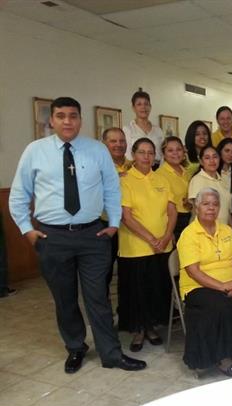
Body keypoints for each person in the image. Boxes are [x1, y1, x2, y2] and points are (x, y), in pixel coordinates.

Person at [9, 97, 146, 373]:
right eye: (61, 116)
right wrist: (27, 230)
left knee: (99, 297)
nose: (67, 121)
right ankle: (75, 347)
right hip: (51, 238)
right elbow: (18, 195)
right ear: (52, 120)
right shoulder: (35, 151)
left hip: (93, 236)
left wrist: (114, 224)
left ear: (80, 120)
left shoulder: (96, 150)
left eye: (73, 116)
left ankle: (111, 353)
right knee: (65, 298)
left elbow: (112, 189)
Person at [178, 188, 232, 376]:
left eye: (215, 204)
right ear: (197, 207)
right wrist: (223, 286)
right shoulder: (189, 234)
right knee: (221, 306)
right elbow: (193, 272)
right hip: (197, 287)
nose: (211, 208)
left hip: (230, 282)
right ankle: (222, 357)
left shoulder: (226, 229)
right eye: (206, 204)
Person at [117, 137, 176, 350]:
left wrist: (167, 236)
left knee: (156, 289)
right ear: (133, 155)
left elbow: (171, 210)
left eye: (150, 152)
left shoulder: (161, 179)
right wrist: (151, 239)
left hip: (162, 246)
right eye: (142, 152)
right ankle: (138, 331)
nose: (146, 156)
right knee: (137, 291)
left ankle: (151, 327)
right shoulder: (125, 180)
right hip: (135, 248)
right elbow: (126, 216)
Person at [101, 127, 131, 295]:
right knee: (103, 271)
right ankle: (103, 316)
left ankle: (126, 311)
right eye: (113, 141)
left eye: (122, 141)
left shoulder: (133, 165)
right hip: (106, 224)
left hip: (131, 225)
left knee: (127, 271)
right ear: (104, 143)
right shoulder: (98, 166)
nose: (118, 145)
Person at [155, 136, 191, 242]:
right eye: (170, 150)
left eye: (179, 149)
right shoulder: (159, 175)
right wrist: (169, 232)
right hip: (173, 222)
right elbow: (160, 206)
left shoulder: (186, 172)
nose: (175, 153)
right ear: (164, 154)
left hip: (189, 218)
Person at [188, 146, 232, 225]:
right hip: (205, 231)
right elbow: (196, 211)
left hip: (222, 231)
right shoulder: (197, 180)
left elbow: (226, 211)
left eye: (215, 157)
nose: (212, 161)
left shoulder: (222, 180)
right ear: (201, 161)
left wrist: (231, 231)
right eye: (207, 158)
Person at [123, 90, 164, 168]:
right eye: (139, 104)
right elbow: (127, 154)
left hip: (157, 169)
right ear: (133, 108)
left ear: (150, 106)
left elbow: (162, 154)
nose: (143, 107)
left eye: (146, 104)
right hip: (136, 168)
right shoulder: (127, 129)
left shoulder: (158, 130)